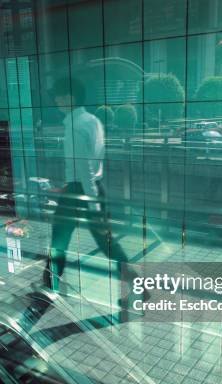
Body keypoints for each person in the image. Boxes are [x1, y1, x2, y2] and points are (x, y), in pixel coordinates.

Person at [43, 77, 138, 300]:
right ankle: (137, 286)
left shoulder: (74, 126)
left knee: (59, 240)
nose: (56, 100)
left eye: (59, 95)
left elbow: (83, 167)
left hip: (80, 191)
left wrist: (91, 202)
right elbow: (96, 159)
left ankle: (50, 286)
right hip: (94, 186)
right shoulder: (93, 120)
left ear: (70, 98)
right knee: (107, 243)